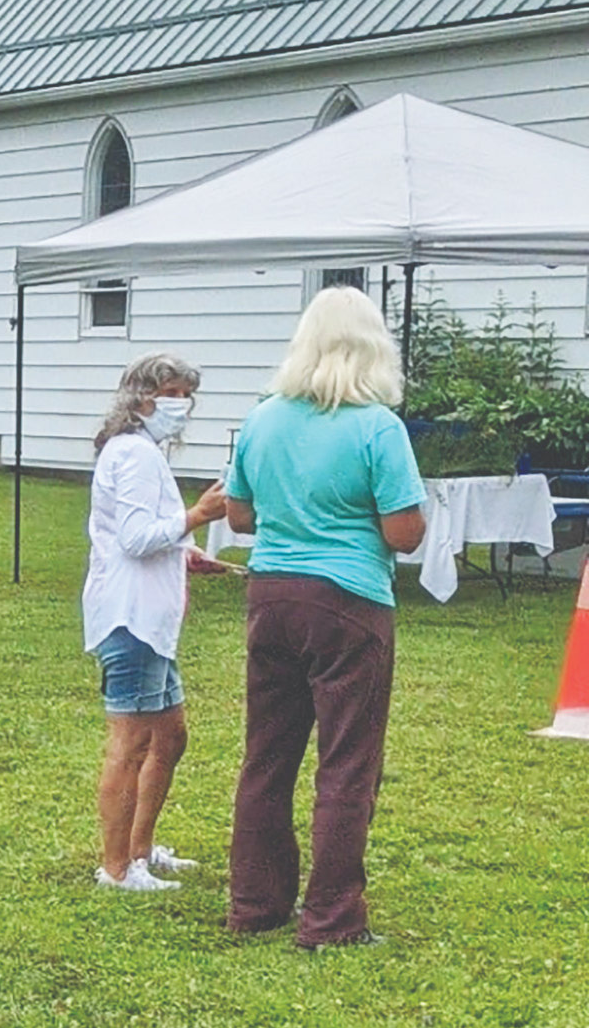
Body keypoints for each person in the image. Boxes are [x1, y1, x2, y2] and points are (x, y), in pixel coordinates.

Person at [223, 286, 427, 950]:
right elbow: (404, 533)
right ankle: (332, 918)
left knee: (267, 757)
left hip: (272, 597)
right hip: (349, 602)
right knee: (346, 766)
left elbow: (240, 516)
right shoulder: (376, 427)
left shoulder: (264, 418)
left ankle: (255, 902)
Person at [84, 353, 230, 892]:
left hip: (150, 620)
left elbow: (142, 532)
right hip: (133, 617)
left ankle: (140, 851)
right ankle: (117, 867)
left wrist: (187, 552)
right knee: (132, 742)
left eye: (187, 394)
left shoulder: (139, 452)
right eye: (172, 393)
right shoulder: (137, 456)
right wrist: (198, 516)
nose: (181, 405)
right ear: (141, 398)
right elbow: (137, 537)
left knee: (171, 735)